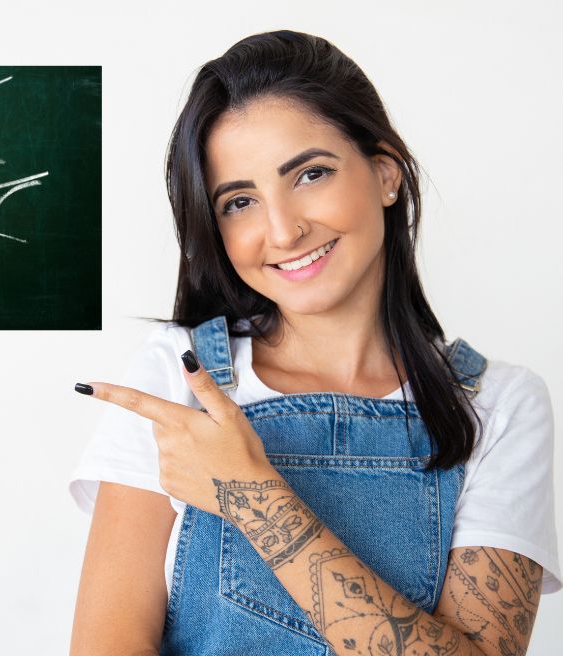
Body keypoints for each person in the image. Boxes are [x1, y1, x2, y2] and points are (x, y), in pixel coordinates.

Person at [67, 30, 560, 656]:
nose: (283, 229)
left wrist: (254, 499)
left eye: (310, 174)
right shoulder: (177, 377)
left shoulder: (498, 404)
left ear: (385, 173)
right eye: (239, 201)